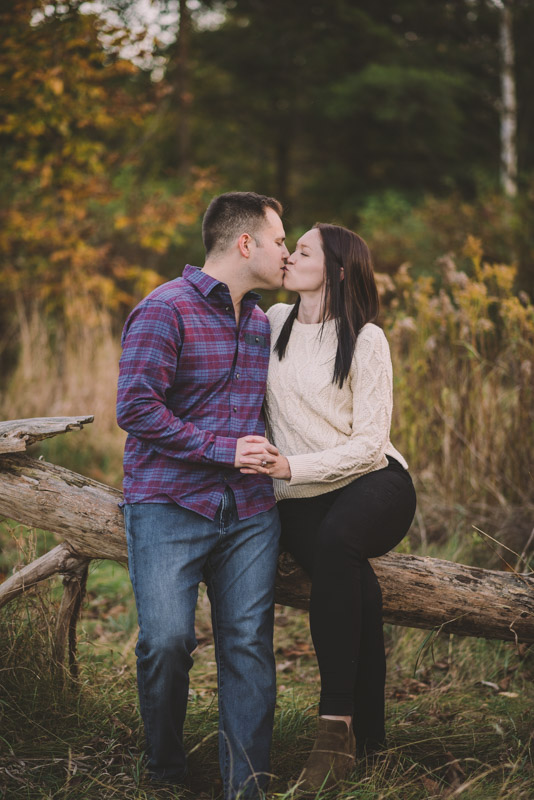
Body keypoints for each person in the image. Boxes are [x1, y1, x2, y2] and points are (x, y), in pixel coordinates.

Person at [116, 191, 290, 800]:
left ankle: (248, 787)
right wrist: (223, 449)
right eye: (278, 240)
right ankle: (165, 772)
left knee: (247, 646)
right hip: (168, 503)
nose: (285, 252)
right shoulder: (166, 309)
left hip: (249, 512)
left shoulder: (263, 321)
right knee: (167, 641)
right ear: (246, 244)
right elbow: (135, 408)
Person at [239, 223, 417, 794]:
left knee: (340, 544)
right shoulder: (269, 325)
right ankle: (373, 743)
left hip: (374, 483)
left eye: (304, 250)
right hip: (299, 498)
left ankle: (331, 733)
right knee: (359, 591)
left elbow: (369, 443)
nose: (290, 255)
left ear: (337, 270)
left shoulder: (366, 338)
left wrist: (290, 467)